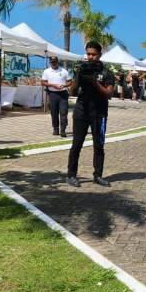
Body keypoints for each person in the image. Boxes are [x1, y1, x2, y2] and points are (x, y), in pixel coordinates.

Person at [66, 41, 115, 188]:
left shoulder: (106, 72)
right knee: (77, 144)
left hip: (99, 113)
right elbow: (72, 92)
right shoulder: (81, 69)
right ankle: (71, 175)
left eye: (93, 54)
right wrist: (79, 77)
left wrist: (95, 83)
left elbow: (109, 93)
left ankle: (98, 176)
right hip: (81, 111)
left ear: (100, 54)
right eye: (88, 54)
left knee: (99, 146)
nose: (90, 57)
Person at [41, 56, 72, 137]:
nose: (53, 63)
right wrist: (53, 85)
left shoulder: (64, 71)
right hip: (52, 94)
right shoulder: (46, 71)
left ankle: (63, 130)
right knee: (54, 112)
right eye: (52, 62)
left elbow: (70, 82)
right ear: (50, 62)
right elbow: (43, 82)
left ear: (58, 62)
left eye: (55, 62)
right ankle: (56, 128)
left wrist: (64, 85)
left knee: (64, 112)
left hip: (63, 94)